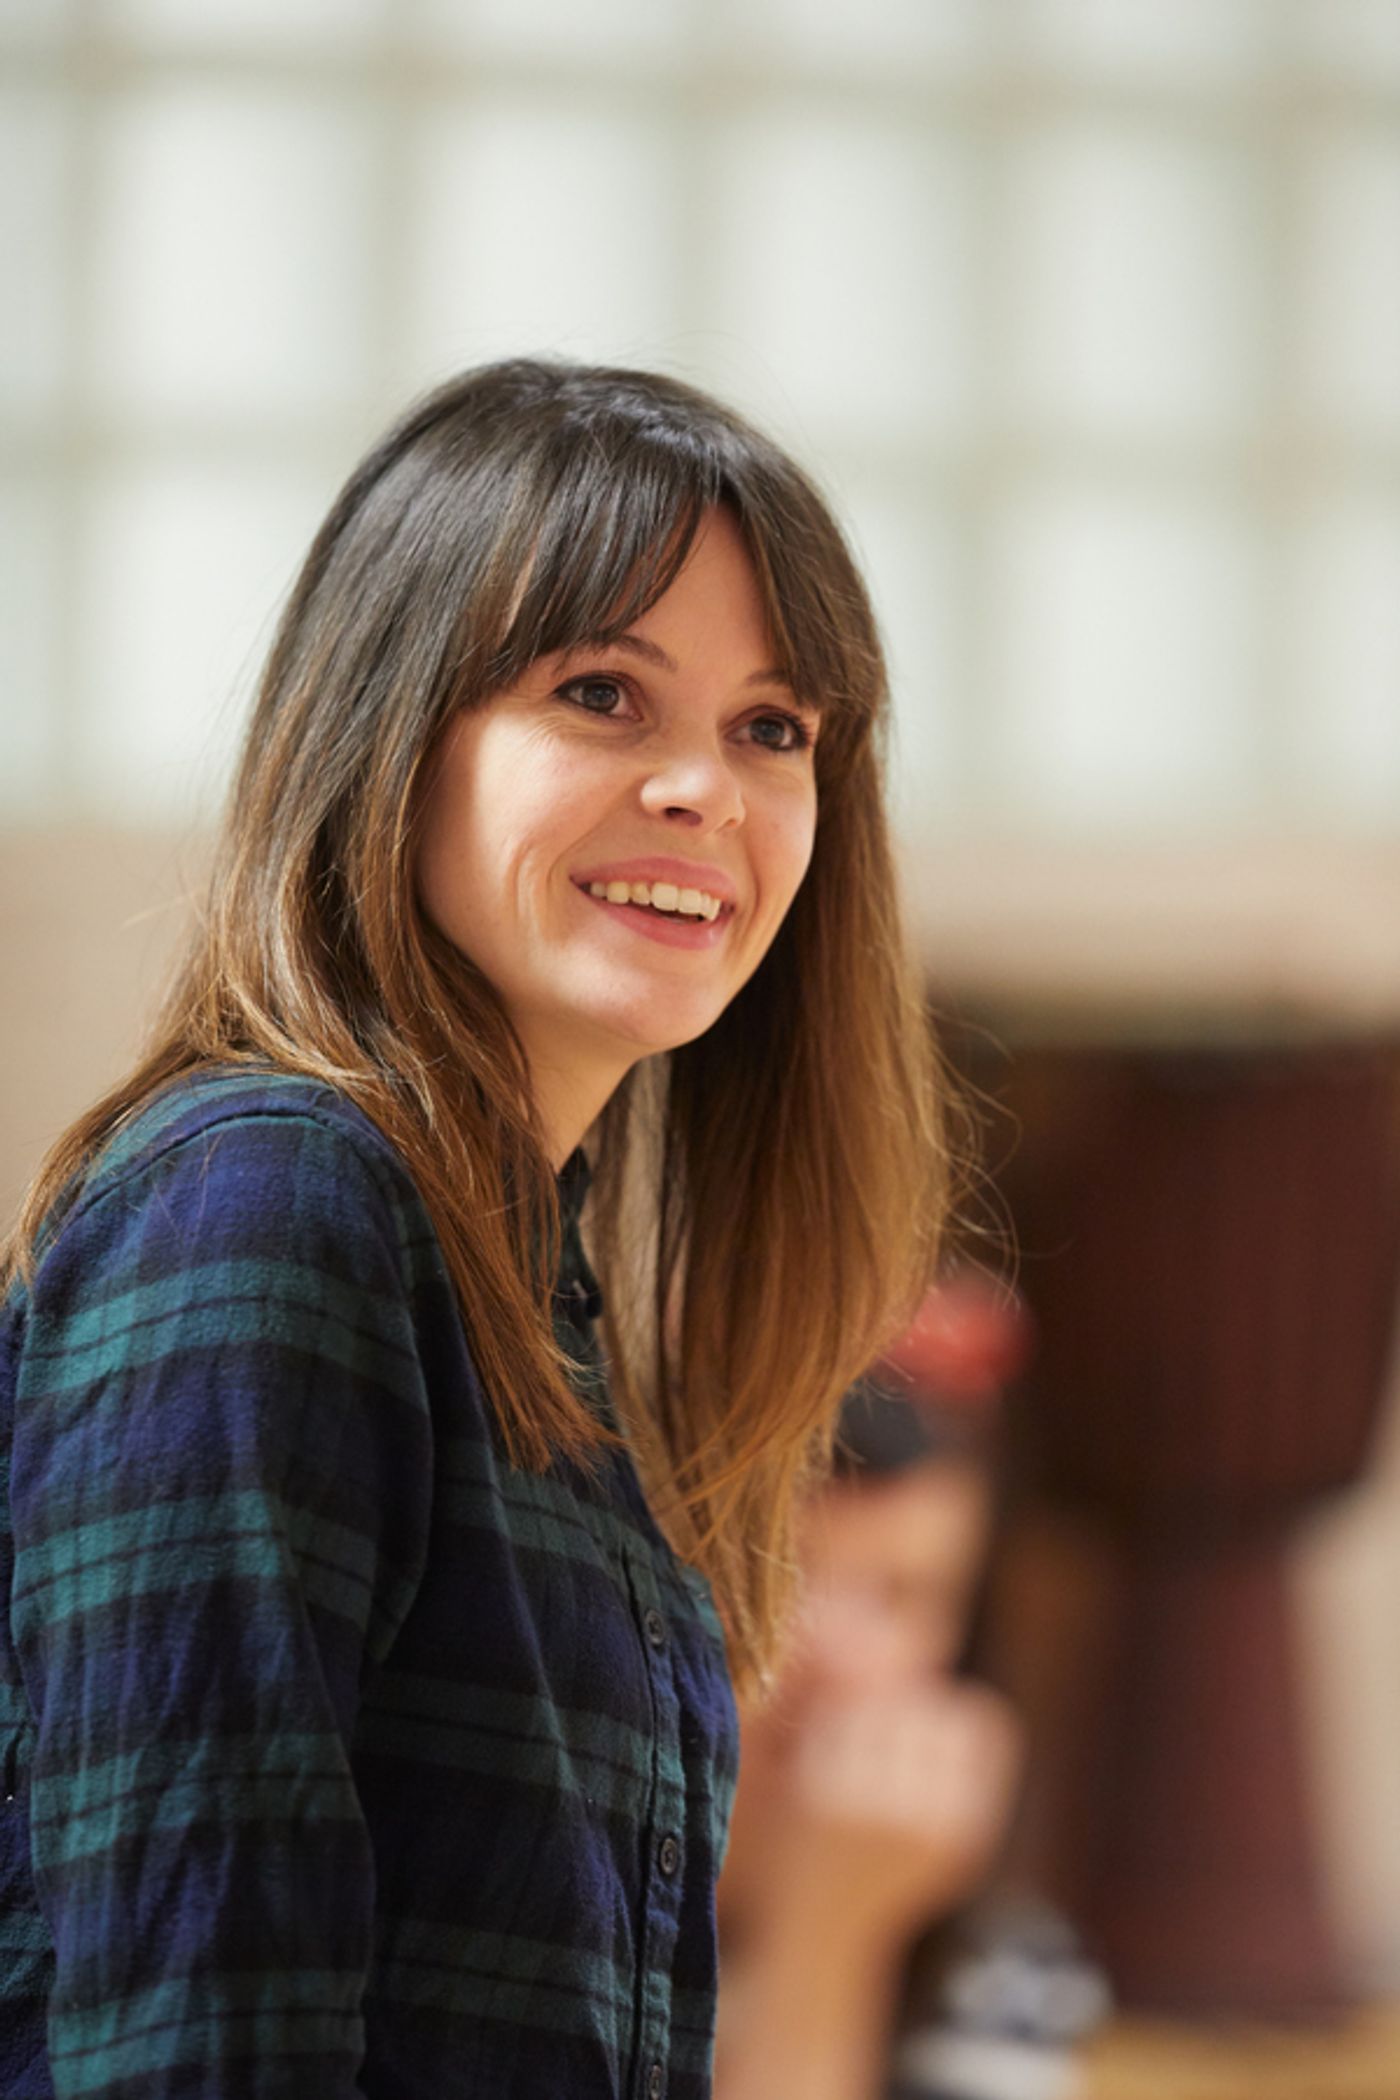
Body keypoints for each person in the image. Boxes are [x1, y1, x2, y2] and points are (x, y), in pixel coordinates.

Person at [0, 359, 948, 2099]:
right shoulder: (266, 1205)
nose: (707, 795)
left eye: (773, 729)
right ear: (394, 728)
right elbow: (194, 2030)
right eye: (603, 692)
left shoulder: (535, 1279)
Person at [714, 1374, 1022, 2100]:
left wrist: (841, 1926)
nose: (835, 1655)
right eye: (783, 1573)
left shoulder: (1003, 1973)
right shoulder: (571, 1909)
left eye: (902, 1594)